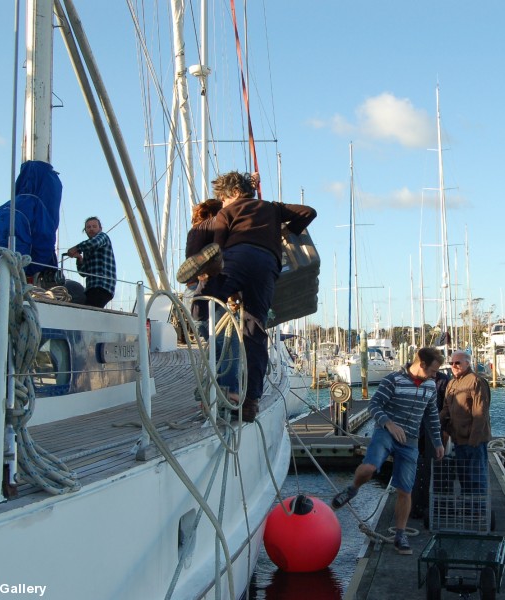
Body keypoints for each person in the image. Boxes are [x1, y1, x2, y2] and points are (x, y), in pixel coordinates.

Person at [179, 171, 316, 422]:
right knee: (254, 332)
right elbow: (309, 212)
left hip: (236, 257)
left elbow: (219, 243)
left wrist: (218, 257)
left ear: (231, 194)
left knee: (201, 305)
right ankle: (251, 401)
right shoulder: (271, 208)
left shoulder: (226, 212)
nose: (221, 203)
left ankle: (210, 273)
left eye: (222, 198)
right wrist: (285, 230)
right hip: (267, 266)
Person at [331, 347, 445, 556]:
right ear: (421, 365)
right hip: (385, 433)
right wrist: (389, 424)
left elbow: (431, 416)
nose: (435, 375)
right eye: (433, 370)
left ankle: (400, 535)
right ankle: (353, 488)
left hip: (410, 440)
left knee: (405, 490)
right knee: (370, 468)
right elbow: (374, 405)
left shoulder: (430, 385)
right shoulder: (393, 380)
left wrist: (438, 442)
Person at [440, 350, 491, 494]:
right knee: (464, 477)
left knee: (476, 477)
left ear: (467, 363)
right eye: (451, 363)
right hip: (458, 439)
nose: (454, 366)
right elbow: (445, 410)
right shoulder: (451, 383)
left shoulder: (476, 381)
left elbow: (480, 413)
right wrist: (434, 424)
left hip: (474, 441)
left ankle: (478, 511)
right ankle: (467, 508)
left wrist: (474, 440)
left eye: (458, 363)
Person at [410, 367, 449, 520]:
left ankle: (425, 505)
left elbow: (446, 405)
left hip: (432, 430)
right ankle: (416, 506)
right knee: (415, 469)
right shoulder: (409, 380)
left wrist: (443, 427)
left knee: (429, 469)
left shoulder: (443, 380)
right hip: (415, 431)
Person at [184, 199, 224, 339]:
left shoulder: (193, 232)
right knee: (228, 347)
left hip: (190, 293)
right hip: (208, 291)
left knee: (210, 347)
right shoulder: (213, 224)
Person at [66, 216, 116, 309]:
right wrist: (79, 258)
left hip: (102, 286)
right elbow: (83, 272)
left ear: (100, 228)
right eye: (88, 227)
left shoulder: (103, 237)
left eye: (94, 226)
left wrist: (76, 248)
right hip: (91, 288)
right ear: (85, 230)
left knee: (88, 310)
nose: (91, 229)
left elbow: (94, 243)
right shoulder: (87, 248)